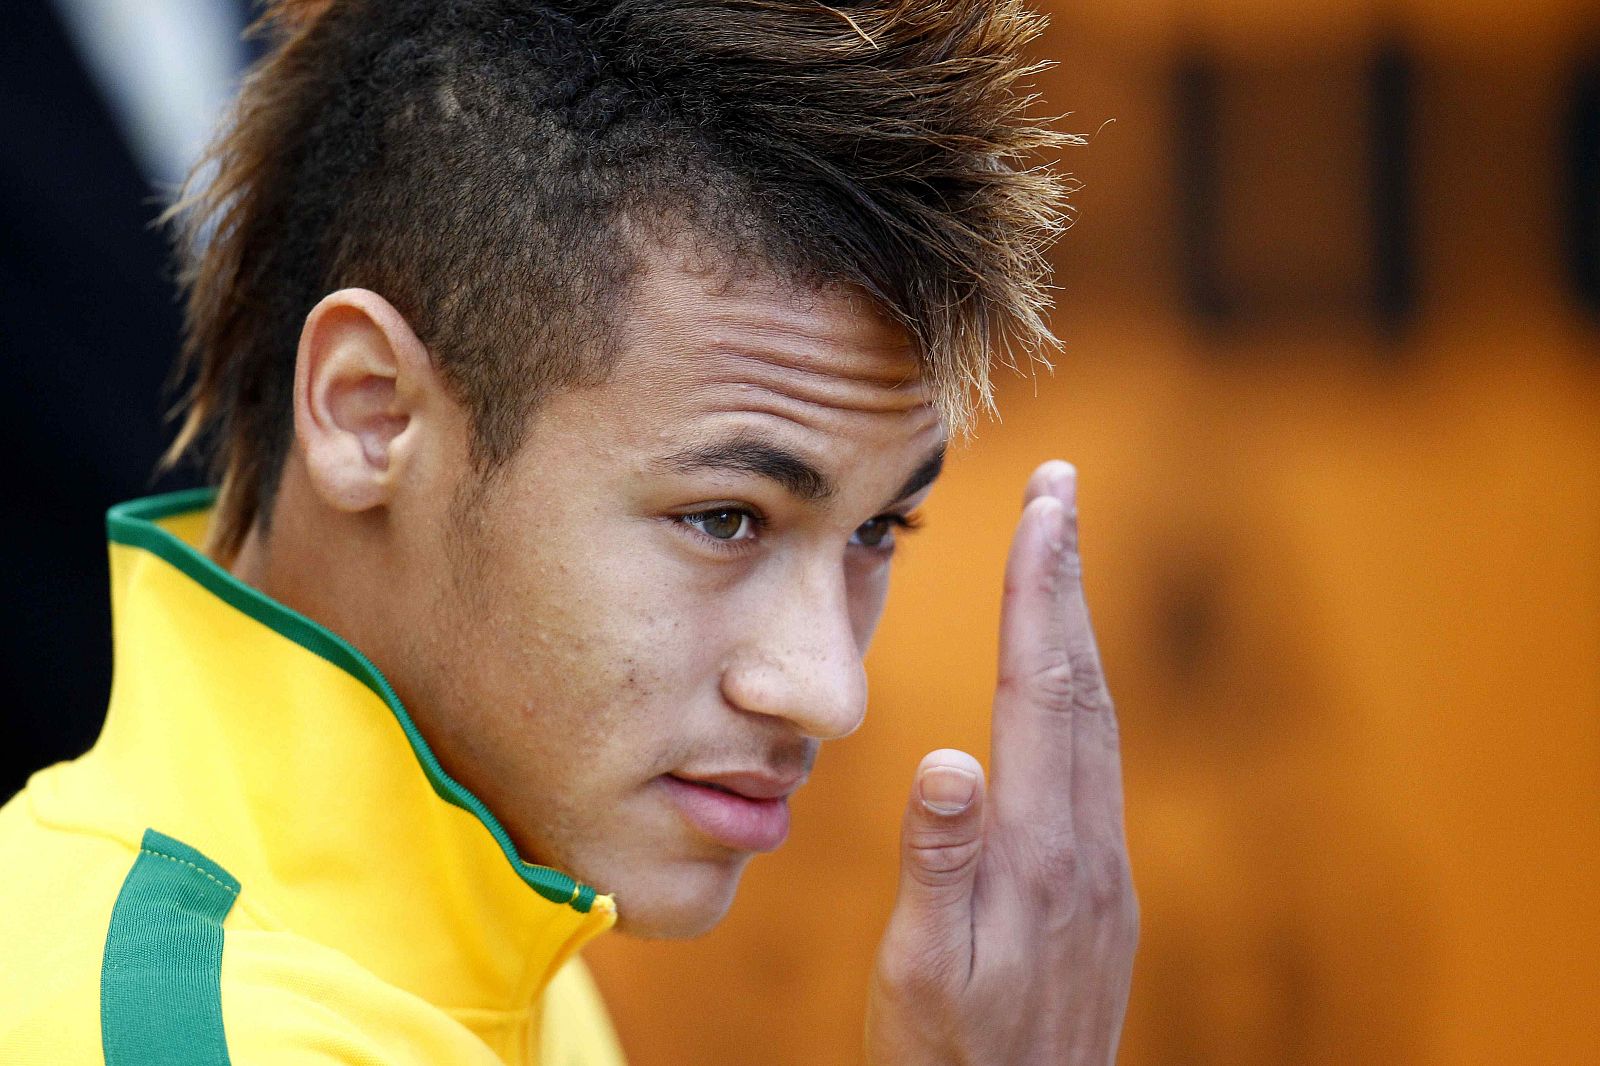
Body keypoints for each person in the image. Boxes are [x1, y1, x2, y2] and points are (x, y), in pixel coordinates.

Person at [0, 1, 1139, 1062]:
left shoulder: (502, 915)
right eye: (724, 518)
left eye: (876, 529)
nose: (828, 691)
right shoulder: (183, 1027)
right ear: (368, 412)